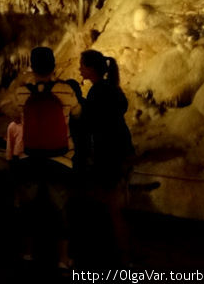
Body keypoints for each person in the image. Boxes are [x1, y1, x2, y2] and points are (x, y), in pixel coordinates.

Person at [14, 46, 80, 268]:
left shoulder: (22, 92)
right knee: (61, 210)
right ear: (53, 66)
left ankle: (27, 253)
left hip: (29, 157)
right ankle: (62, 259)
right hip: (59, 159)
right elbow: (78, 112)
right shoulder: (65, 91)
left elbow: (13, 111)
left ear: (32, 66)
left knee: (28, 209)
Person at [69, 50, 134, 265]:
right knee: (114, 202)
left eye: (82, 65)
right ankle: (117, 251)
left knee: (111, 204)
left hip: (109, 152)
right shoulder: (112, 88)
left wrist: (79, 109)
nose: (79, 69)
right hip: (122, 147)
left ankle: (118, 255)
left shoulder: (98, 92)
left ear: (90, 68)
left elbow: (91, 123)